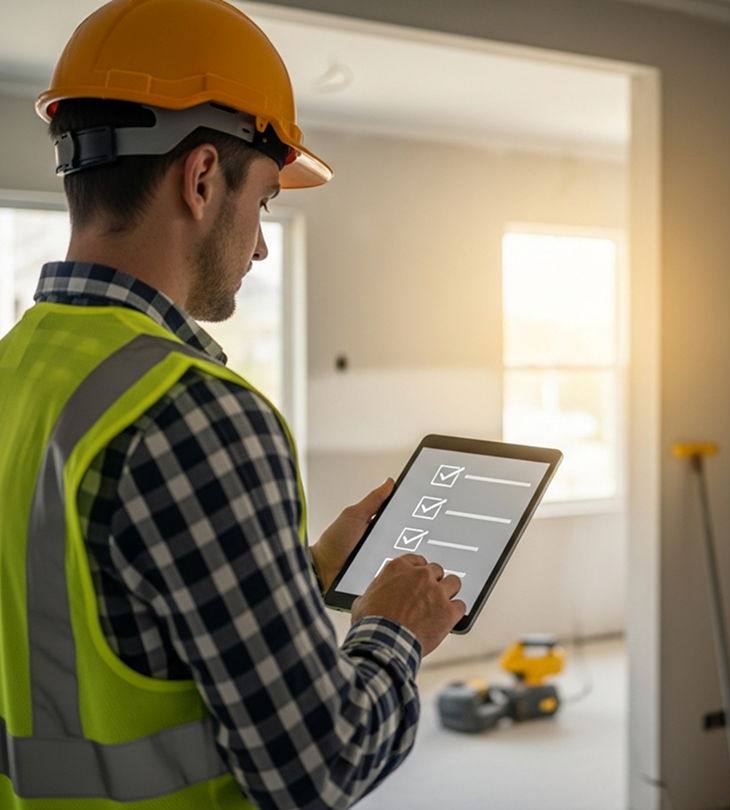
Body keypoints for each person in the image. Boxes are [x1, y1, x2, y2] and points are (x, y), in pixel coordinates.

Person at [0, 0, 466, 807]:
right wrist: (394, 626)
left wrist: (306, 571)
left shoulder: (19, 371)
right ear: (203, 178)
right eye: (264, 202)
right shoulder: (197, 415)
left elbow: (86, 616)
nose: (259, 244)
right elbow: (321, 766)